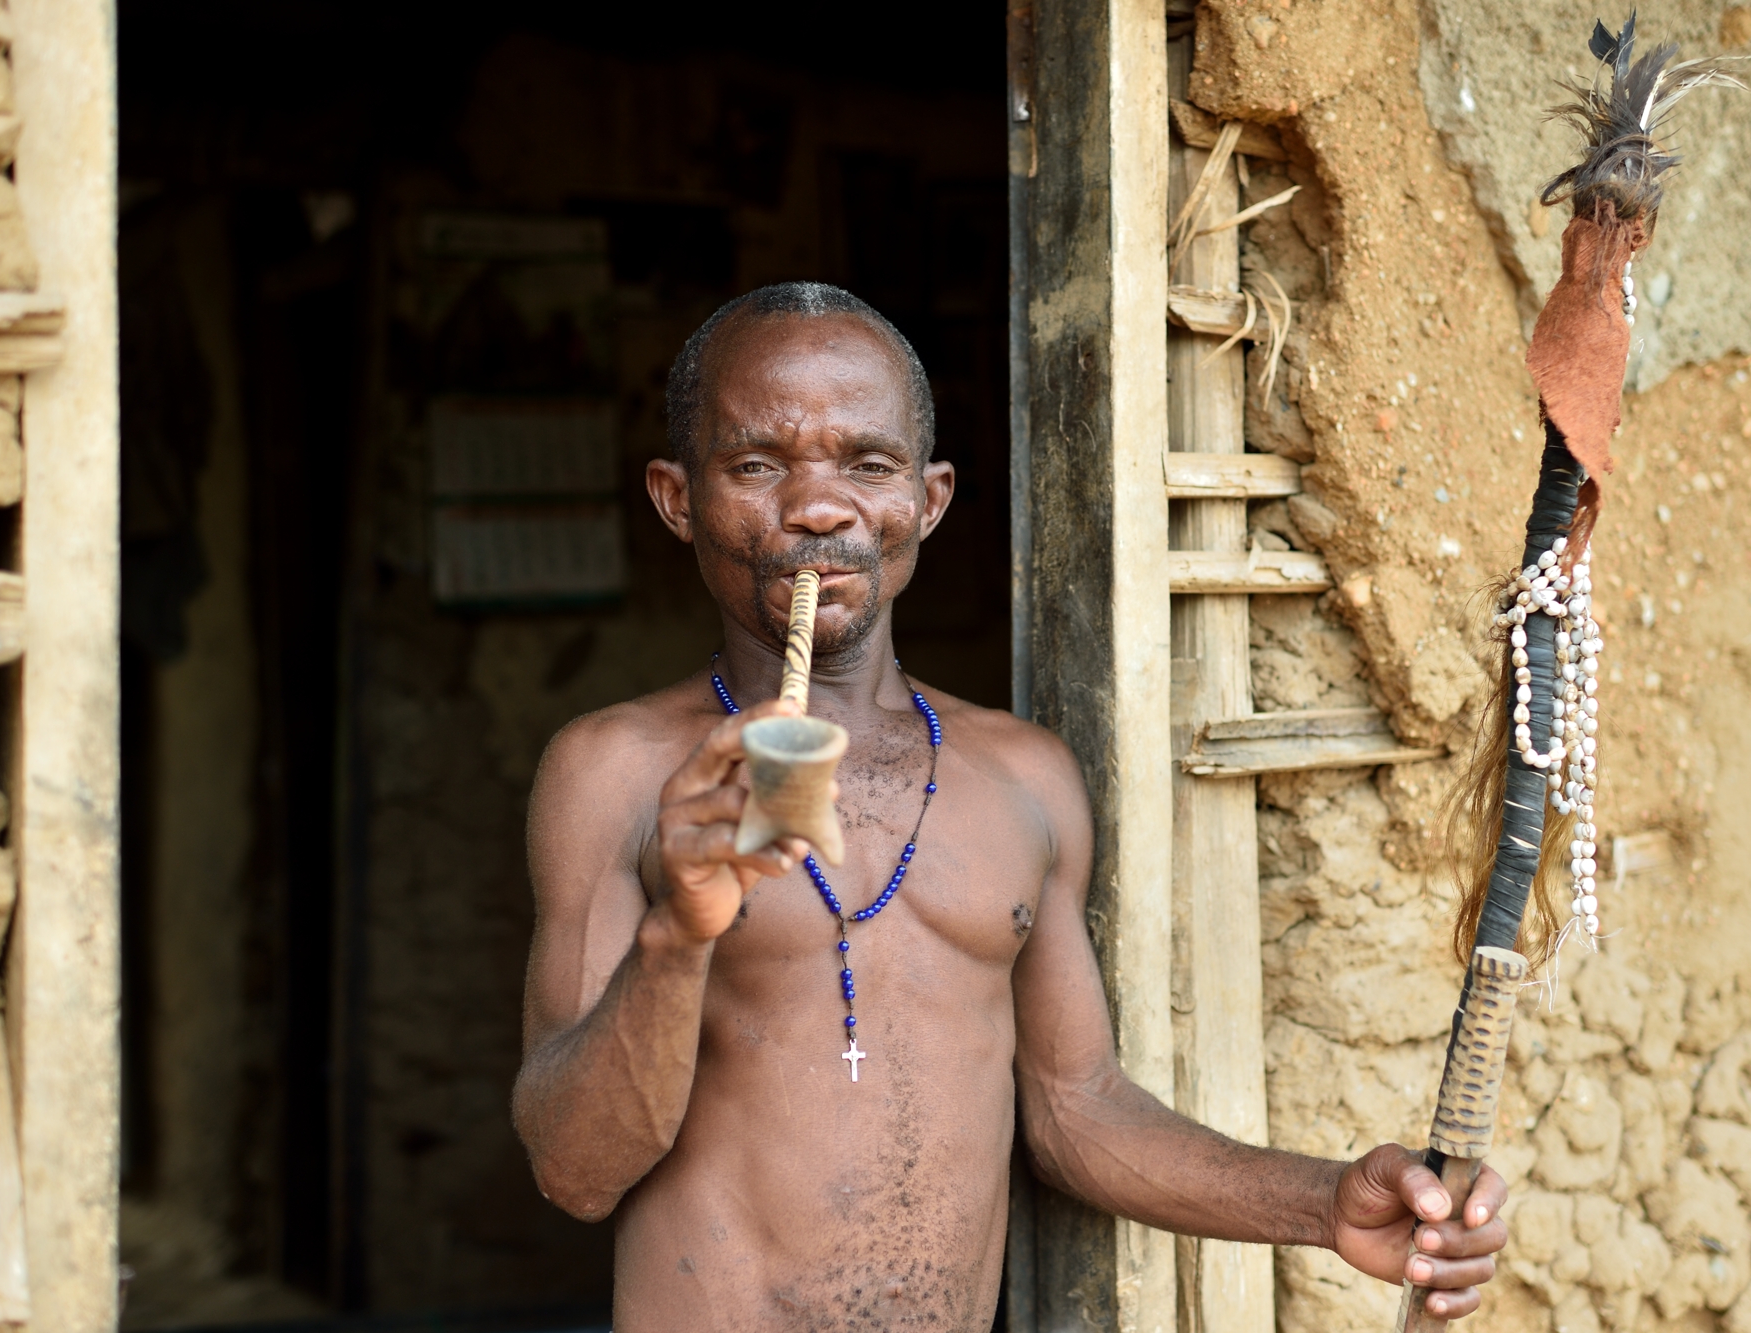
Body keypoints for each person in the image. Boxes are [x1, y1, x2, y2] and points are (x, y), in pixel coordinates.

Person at [512, 282, 1508, 1329]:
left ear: (929, 499)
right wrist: (678, 936)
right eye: (758, 465)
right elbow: (575, 1172)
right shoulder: (616, 773)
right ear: (677, 498)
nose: (818, 508)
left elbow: (1077, 1112)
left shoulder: (1022, 780)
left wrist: (1324, 1204)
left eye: (868, 465)